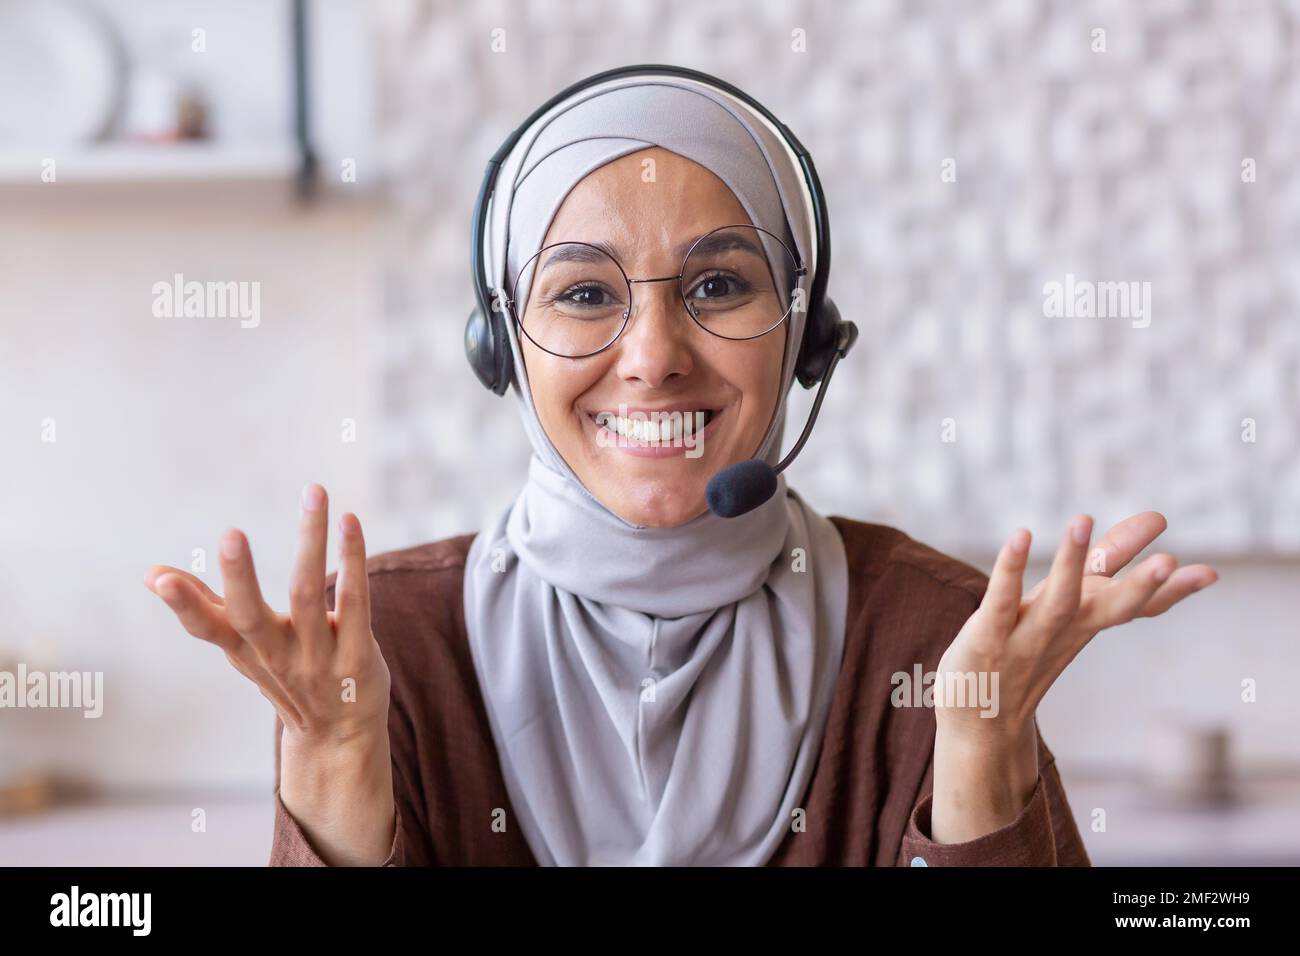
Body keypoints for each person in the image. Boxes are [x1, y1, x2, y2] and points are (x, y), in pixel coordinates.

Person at [143, 71, 1218, 867]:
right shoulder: (378, 645)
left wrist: (978, 755)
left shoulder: (933, 636)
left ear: (805, 337)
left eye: (717, 286)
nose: (653, 355)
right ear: (499, 343)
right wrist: (333, 767)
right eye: (582, 293)